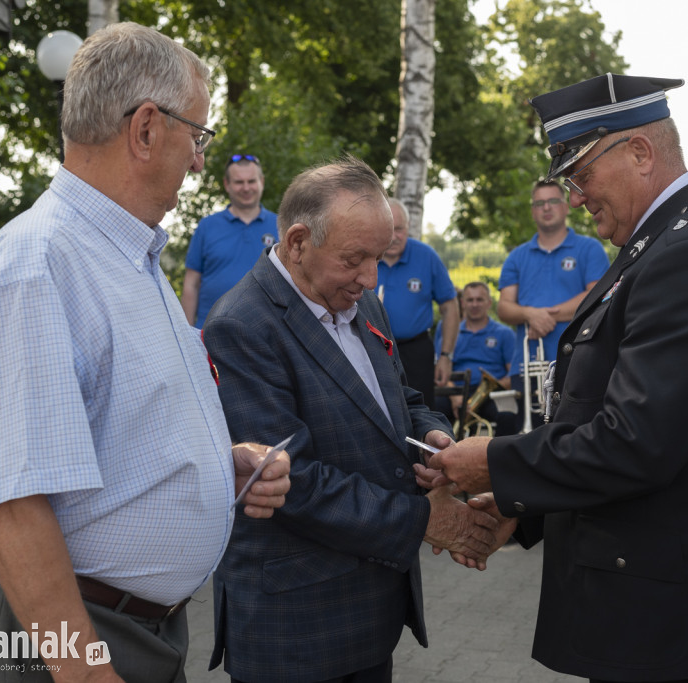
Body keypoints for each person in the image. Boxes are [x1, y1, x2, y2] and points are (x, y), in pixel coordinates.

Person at [0, 23, 290, 682]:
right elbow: (11, 500)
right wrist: (88, 670)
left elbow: (122, 421)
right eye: (199, 135)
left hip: (118, 629)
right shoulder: (38, 261)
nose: (199, 160)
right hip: (64, 640)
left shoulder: (123, 253)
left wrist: (219, 465)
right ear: (147, 129)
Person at [428, 73, 688, 681]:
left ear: (640, 153)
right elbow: (606, 421)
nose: (574, 197)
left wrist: (497, 462)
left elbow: (634, 443)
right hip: (647, 602)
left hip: (665, 618)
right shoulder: (663, 245)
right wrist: (525, 508)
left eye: (581, 174)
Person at [202, 155, 500, 683]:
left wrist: (435, 441)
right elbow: (290, 479)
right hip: (294, 630)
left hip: (367, 617)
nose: (370, 277)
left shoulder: (362, 303)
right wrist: (425, 519)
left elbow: (400, 399)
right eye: (355, 259)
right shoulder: (242, 325)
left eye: (379, 258)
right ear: (297, 243)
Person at [497, 180, 608, 429]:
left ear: (566, 205)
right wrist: (530, 314)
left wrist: (543, 316)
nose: (546, 208)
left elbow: (597, 296)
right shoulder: (517, 256)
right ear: (533, 210)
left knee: (574, 436)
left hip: (579, 361)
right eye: (539, 203)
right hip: (526, 368)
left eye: (553, 201)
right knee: (526, 440)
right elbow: (504, 308)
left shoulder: (590, 249)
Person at [376, 197, 458, 409]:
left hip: (416, 351)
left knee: (421, 411)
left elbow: (450, 307)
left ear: (409, 227)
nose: (394, 237)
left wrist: (446, 356)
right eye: (389, 228)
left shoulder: (426, 256)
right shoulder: (366, 255)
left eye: (400, 229)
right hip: (371, 348)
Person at [181, 154, 278, 327]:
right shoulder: (207, 226)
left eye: (251, 181)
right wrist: (186, 333)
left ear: (261, 182)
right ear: (227, 185)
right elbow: (191, 285)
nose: (246, 188)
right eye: (239, 182)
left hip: (266, 336)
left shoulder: (280, 226)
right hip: (210, 334)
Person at [433, 281, 517, 436]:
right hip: (456, 391)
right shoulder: (451, 332)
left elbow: (513, 375)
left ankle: (498, 457)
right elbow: (440, 371)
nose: (474, 304)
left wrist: (483, 394)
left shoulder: (505, 334)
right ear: (463, 303)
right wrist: (456, 397)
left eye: (480, 299)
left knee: (508, 416)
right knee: (433, 411)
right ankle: (440, 456)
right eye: (470, 300)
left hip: (491, 394)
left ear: (489, 303)